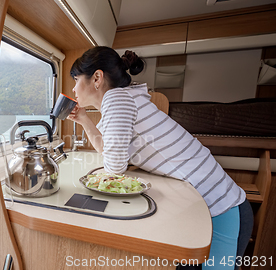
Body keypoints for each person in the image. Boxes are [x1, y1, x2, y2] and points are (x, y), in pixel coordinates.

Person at [67, 46, 253, 270]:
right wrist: (85, 119)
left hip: (222, 207)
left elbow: (114, 165)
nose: (73, 88)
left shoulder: (117, 99)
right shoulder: (123, 99)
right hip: (209, 202)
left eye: (76, 79)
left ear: (97, 77)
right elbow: (106, 149)